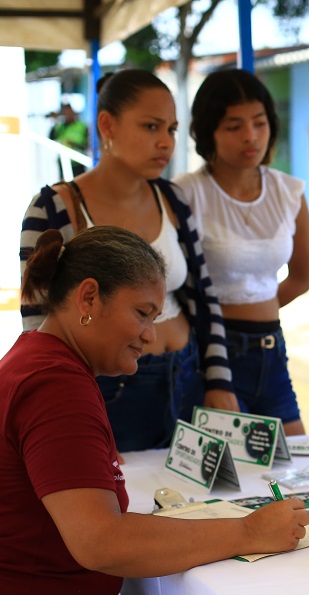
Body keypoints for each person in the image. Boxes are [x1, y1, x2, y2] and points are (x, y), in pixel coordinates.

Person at [0, 227, 309, 595]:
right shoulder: (54, 384)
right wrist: (247, 533)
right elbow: (100, 541)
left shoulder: (44, 362)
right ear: (88, 298)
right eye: (143, 313)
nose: (151, 335)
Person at [21, 69, 239, 452]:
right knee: (121, 507)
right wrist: (68, 409)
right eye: (151, 126)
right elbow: (37, 322)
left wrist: (218, 381)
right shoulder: (54, 208)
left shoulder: (173, 199)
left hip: (188, 376)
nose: (165, 143)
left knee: (196, 509)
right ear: (108, 125)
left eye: (171, 129)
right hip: (106, 394)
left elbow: (205, 296)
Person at [174, 69, 309, 435]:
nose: (251, 136)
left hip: (271, 348)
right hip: (210, 356)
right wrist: (223, 327)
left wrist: (260, 311)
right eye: (233, 126)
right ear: (208, 132)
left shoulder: (289, 192)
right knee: (226, 480)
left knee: (298, 467)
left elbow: (302, 277)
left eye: (259, 122)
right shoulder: (186, 193)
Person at [49, 102, 88, 177]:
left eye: (69, 112)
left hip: (78, 162)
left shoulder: (81, 125)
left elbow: (86, 144)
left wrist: (74, 144)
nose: (67, 114)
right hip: (63, 162)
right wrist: (54, 121)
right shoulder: (60, 127)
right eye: (65, 112)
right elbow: (51, 138)